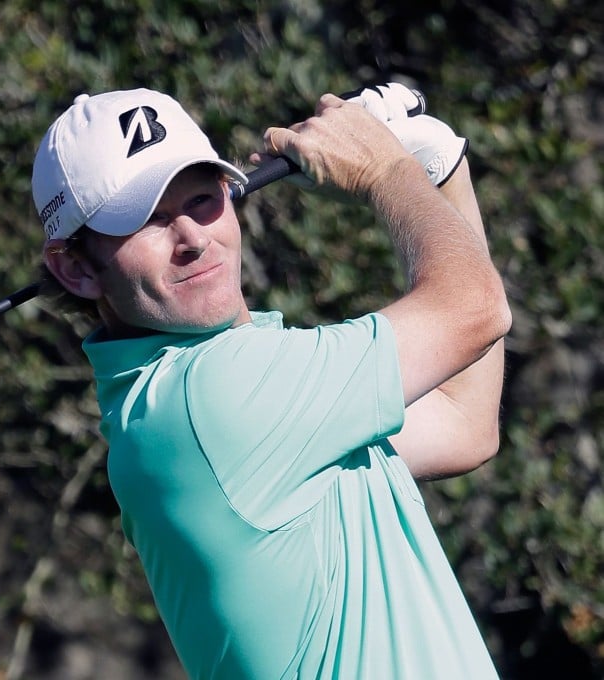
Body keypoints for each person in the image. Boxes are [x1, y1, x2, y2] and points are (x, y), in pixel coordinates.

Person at [31, 85, 510, 679]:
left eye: (203, 199)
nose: (194, 238)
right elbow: (475, 309)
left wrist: (439, 170)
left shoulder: (186, 401)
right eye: (147, 221)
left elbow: (466, 424)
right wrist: (386, 167)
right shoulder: (210, 398)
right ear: (75, 268)